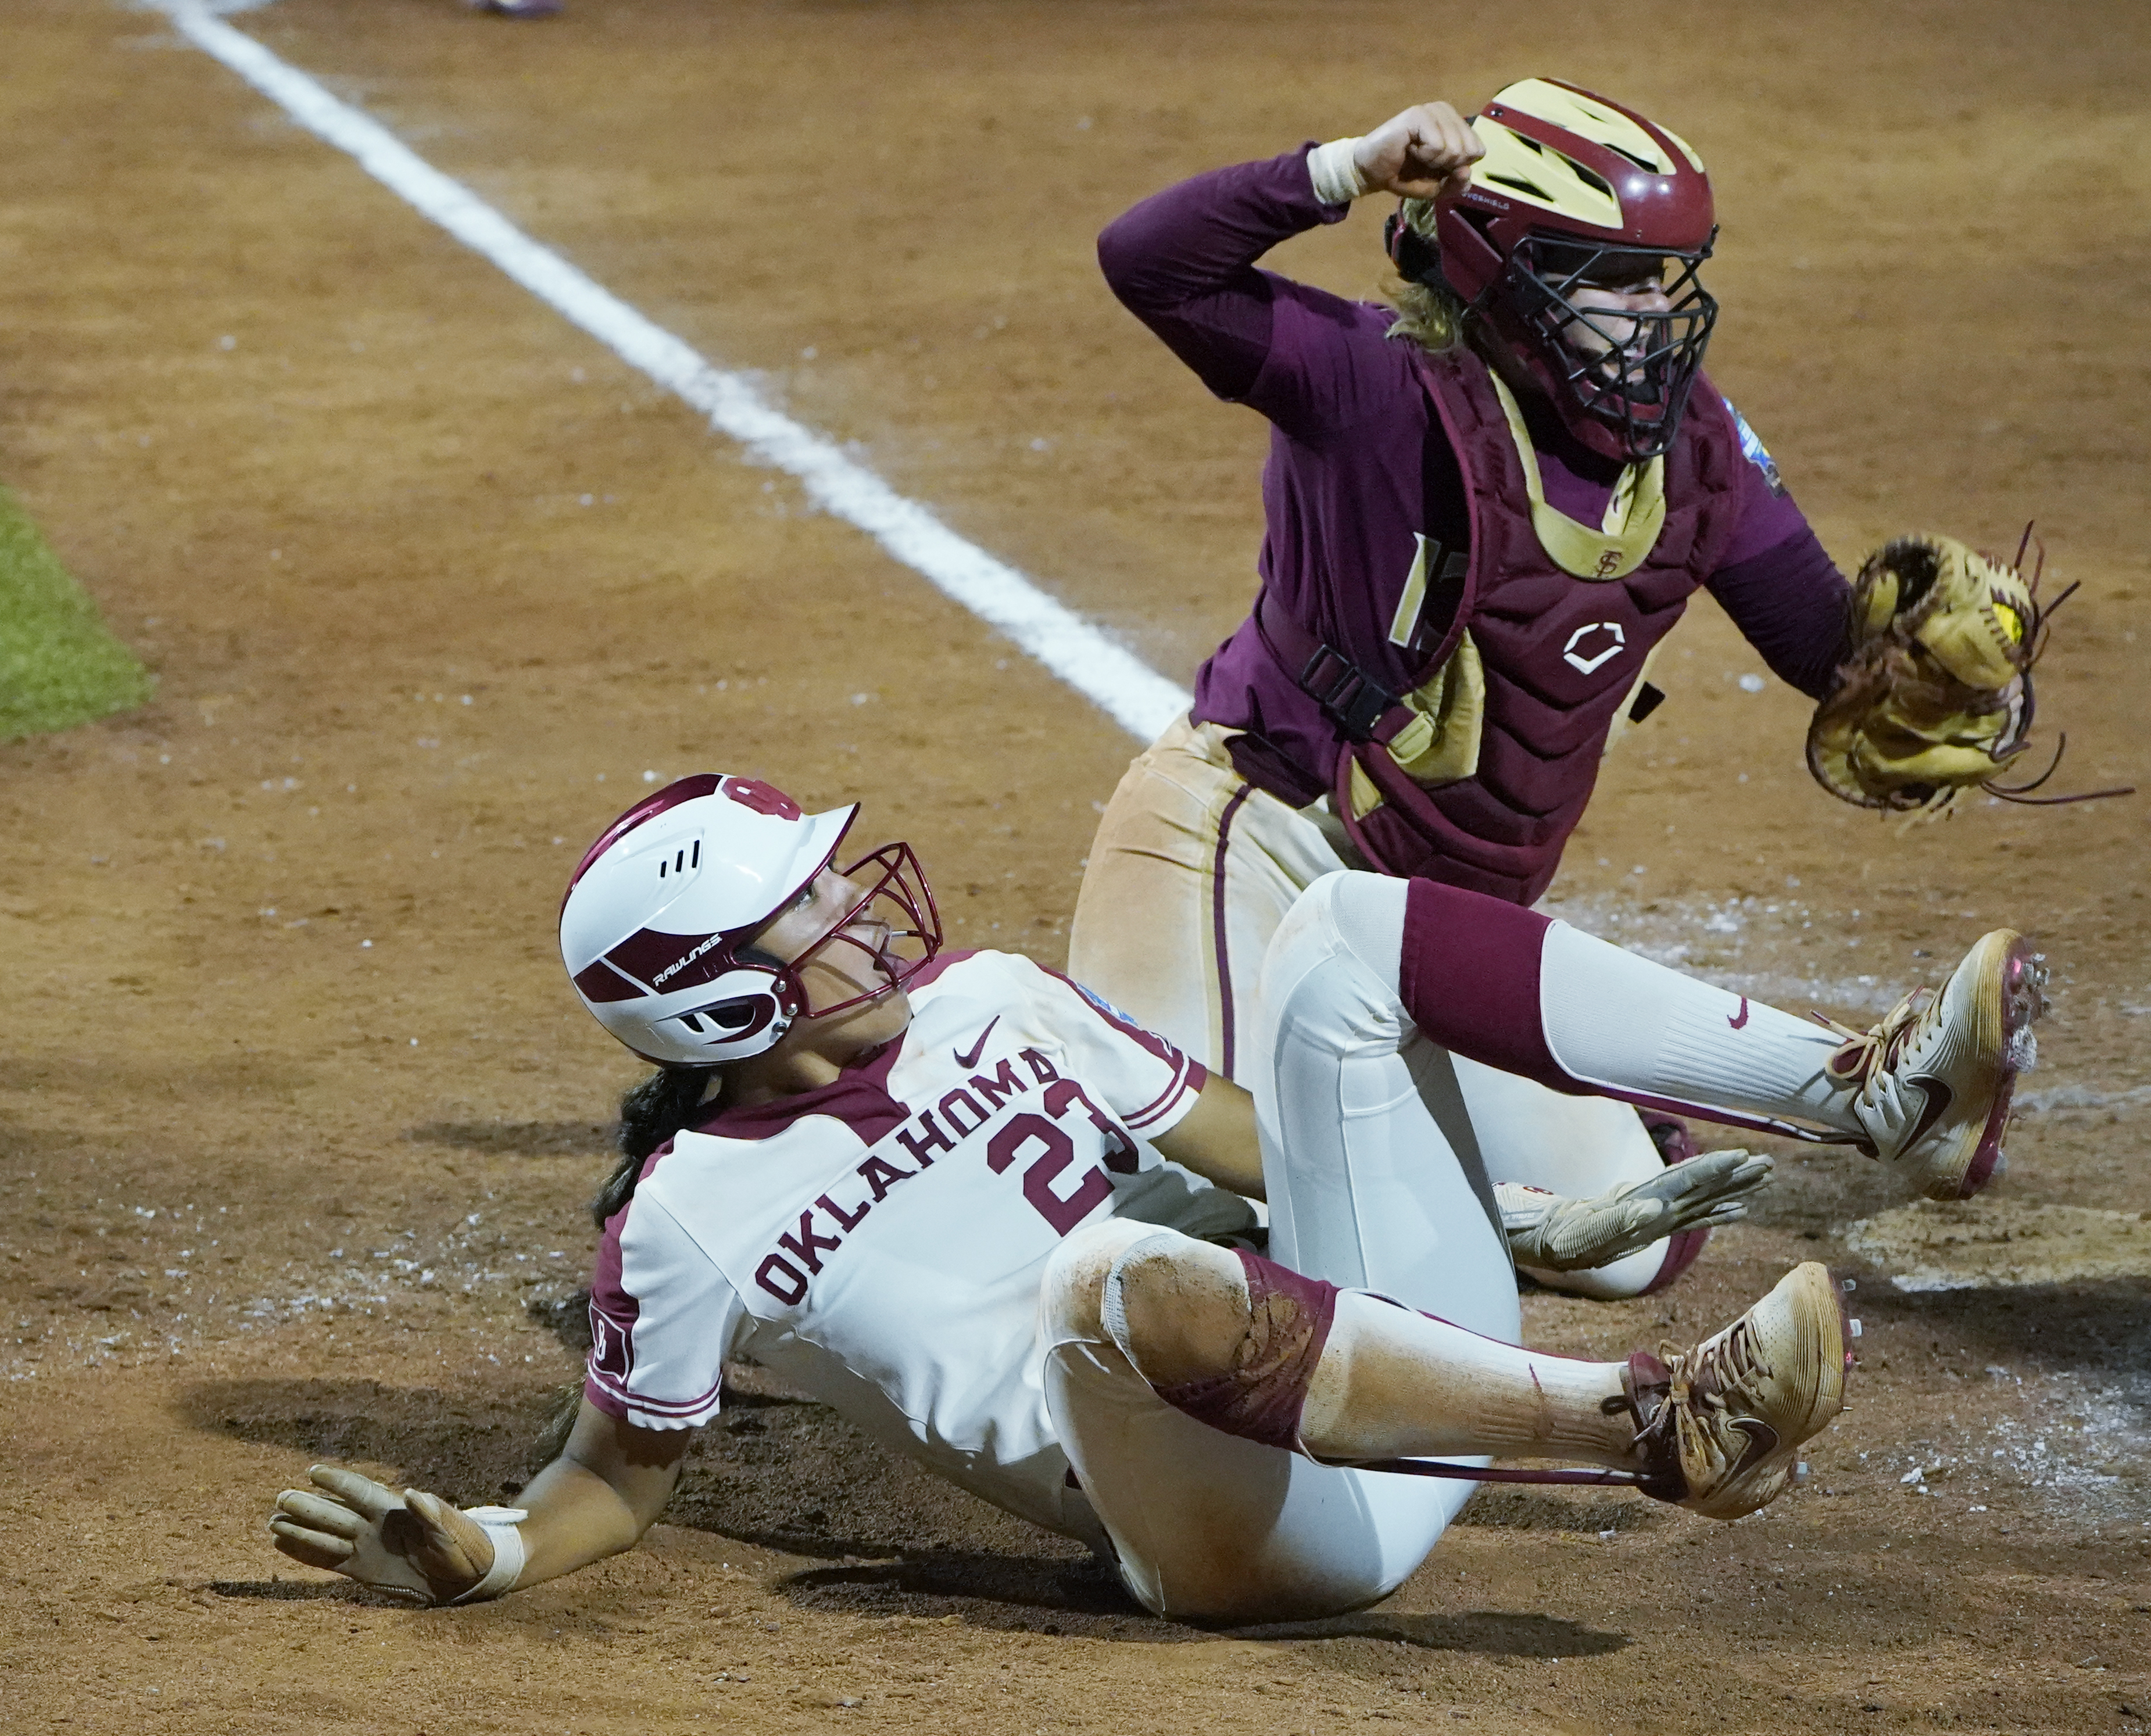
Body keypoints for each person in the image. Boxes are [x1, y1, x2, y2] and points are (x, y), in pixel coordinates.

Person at [267, 773, 2039, 1623]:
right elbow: (612, 1476)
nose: (862, 901)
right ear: (720, 1003)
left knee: (1336, 933)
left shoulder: (999, 998)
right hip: (1260, 1540)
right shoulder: (682, 1219)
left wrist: (1495, 1219)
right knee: (1105, 1275)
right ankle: (1656, 1428)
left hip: (1391, 1370)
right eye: (805, 906)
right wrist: (479, 1547)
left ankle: (1869, 1093)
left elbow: (1270, 1149)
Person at [1072, 82, 2034, 1295]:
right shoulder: (1373, 389)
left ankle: (1456, 1160)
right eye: (1617, 283)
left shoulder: (1691, 451)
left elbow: (1821, 649)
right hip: (1253, 846)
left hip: (1433, 925)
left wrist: (1929, 666)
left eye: (1667, 283)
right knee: (1178, 1199)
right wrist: (1345, 168)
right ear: (1506, 272)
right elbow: (1148, 264)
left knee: (1626, 1245)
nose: (1656, 318)